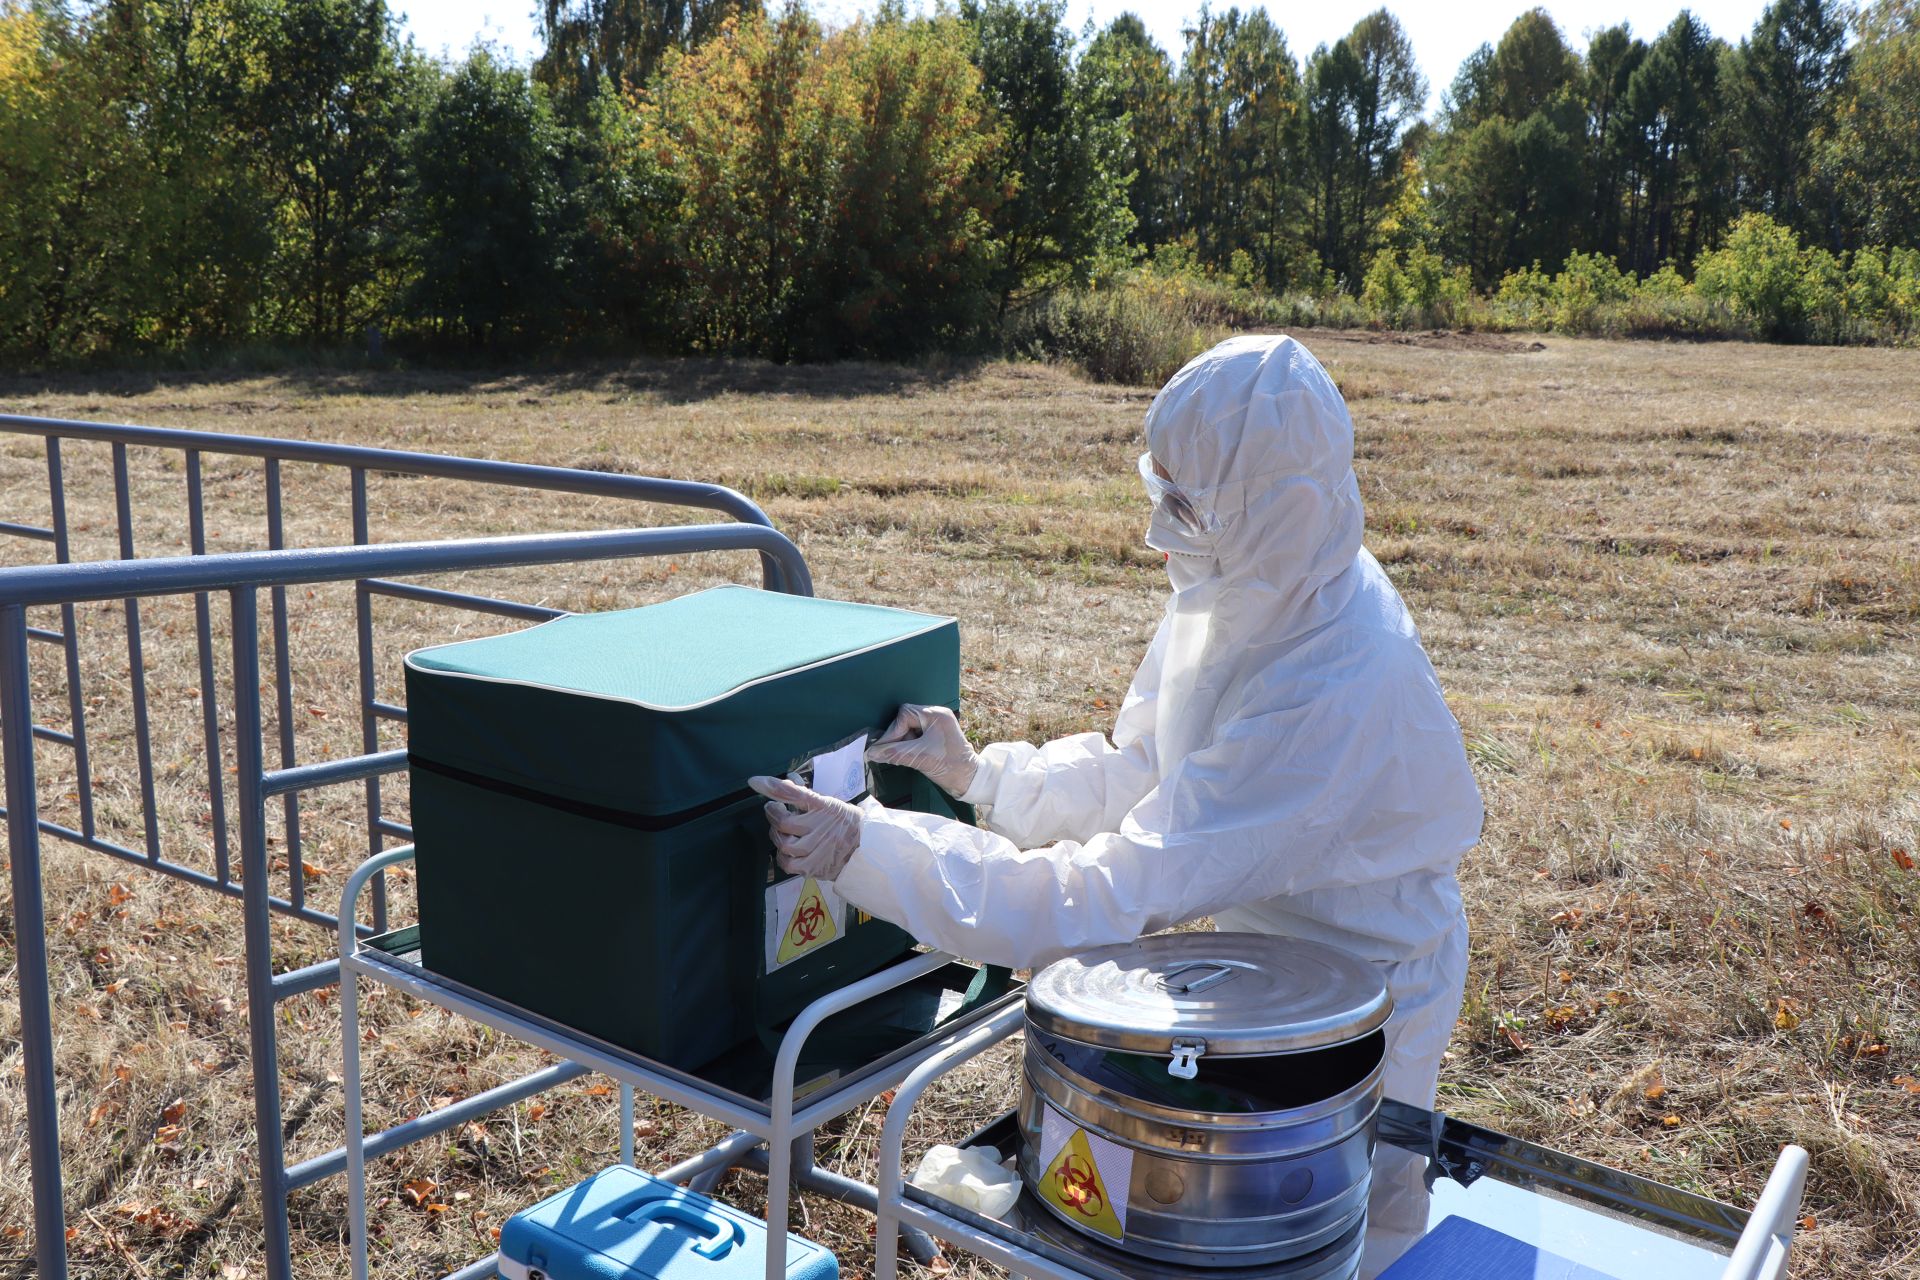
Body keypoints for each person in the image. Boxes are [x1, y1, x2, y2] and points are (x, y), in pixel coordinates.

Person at [749, 333, 1483, 1276]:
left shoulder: (1332, 684)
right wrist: (983, 775)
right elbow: (1143, 766)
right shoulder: (1253, 585)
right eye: (1160, 490)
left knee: (1336, 1234)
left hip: (1369, 987)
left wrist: (870, 848)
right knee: (1237, 1221)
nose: (1159, 529)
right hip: (1263, 958)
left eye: (1187, 502)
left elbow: (1109, 897)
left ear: (1274, 507)